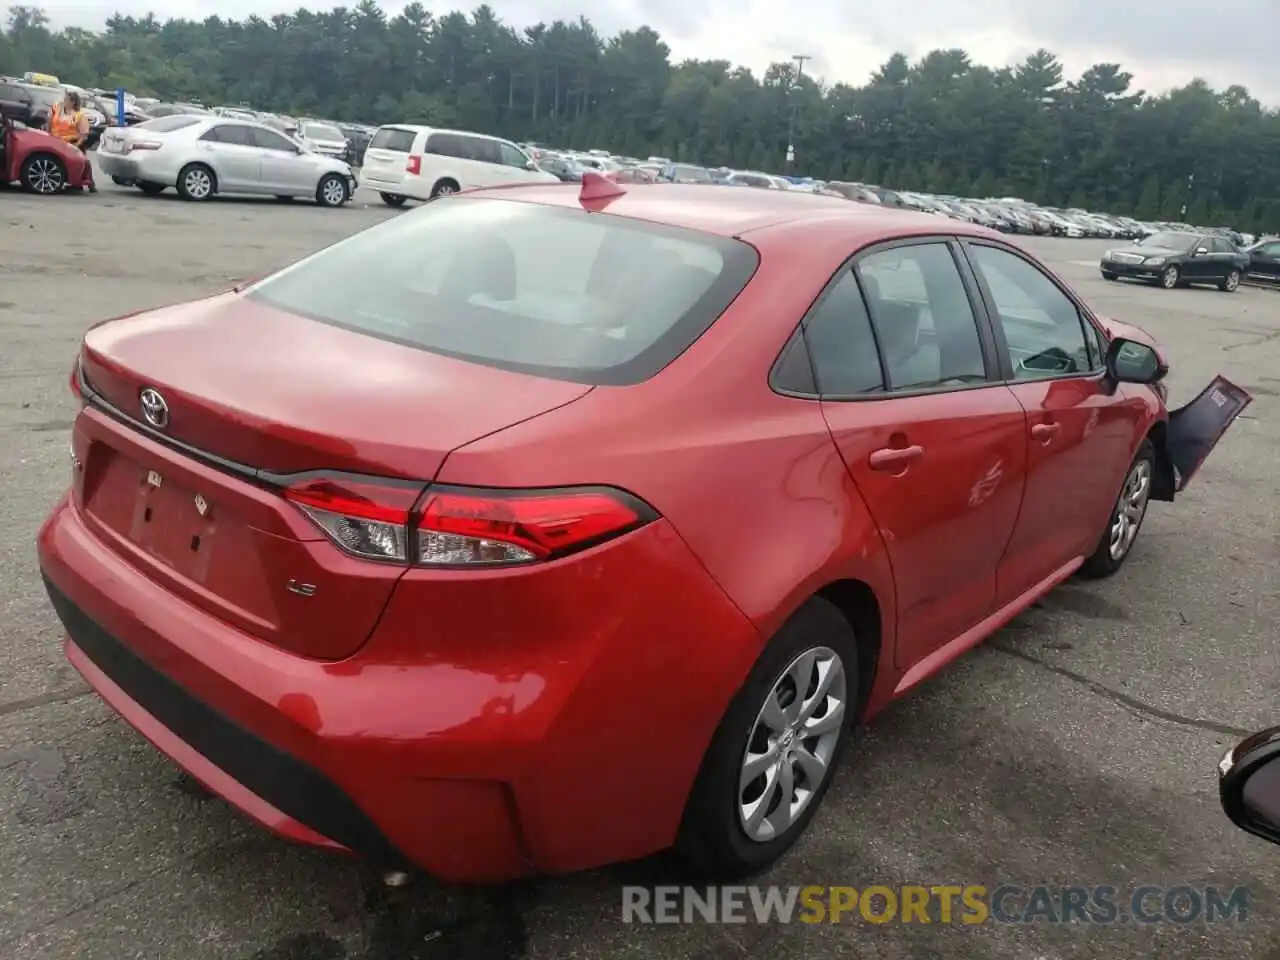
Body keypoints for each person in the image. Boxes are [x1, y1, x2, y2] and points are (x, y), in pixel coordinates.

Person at [48, 89, 96, 193]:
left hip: (73, 142)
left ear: (72, 102)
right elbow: (49, 122)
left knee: (82, 162)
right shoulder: (56, 109)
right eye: (64, 99)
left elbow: (84, 134)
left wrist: (76, 145)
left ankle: (87, 183)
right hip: (56, 141)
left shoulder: (79, 115)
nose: (64, 101)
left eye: (66, 100)